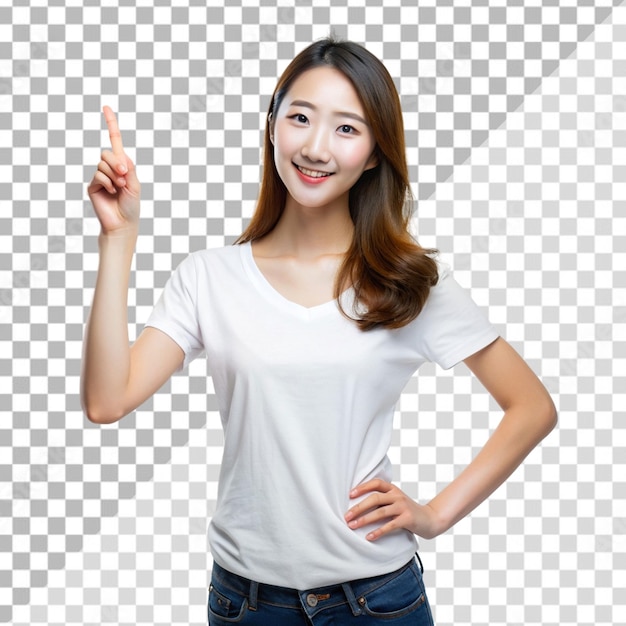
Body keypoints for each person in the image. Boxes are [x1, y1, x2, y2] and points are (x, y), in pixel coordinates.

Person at [82, 37, 557, 626]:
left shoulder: (406, 282)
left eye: (347, 129)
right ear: (273, 124)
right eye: (300, 118)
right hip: (245, 603)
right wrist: (118, 239)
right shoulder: (209, 278)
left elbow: (531, 407)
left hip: (377, 601)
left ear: (376, 153)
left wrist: (435, 514)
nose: (314, 147)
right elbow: (106, 400)